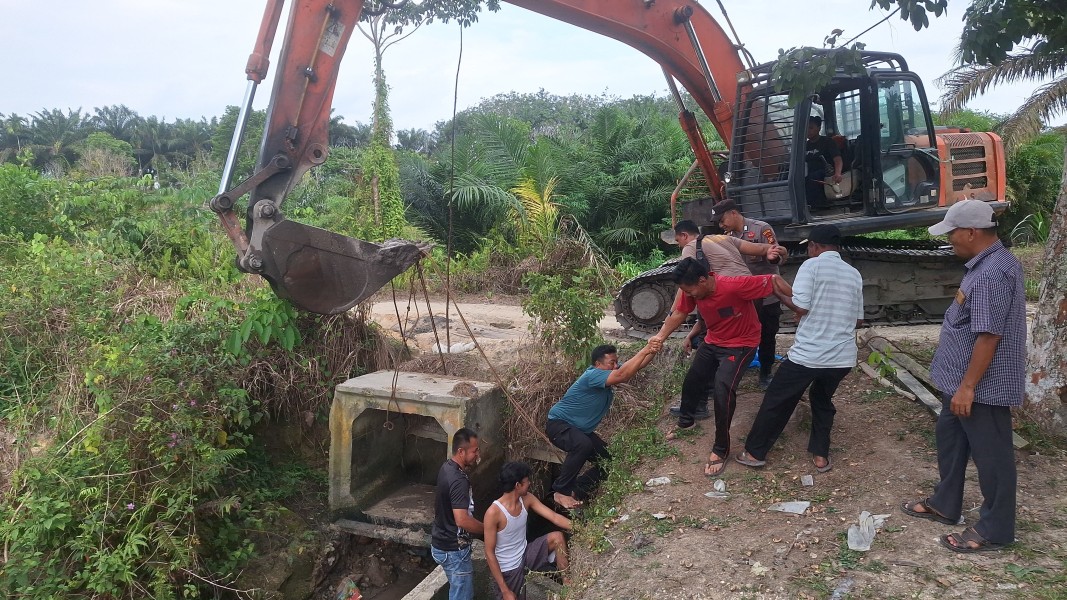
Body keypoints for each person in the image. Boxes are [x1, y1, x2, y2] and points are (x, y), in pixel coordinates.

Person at [900, 200, 1025, 553]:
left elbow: (989, 335)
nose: (950, 240)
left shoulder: (992, 273)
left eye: (952, 232)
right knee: (951, 441)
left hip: (981, 386)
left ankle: (995, 529)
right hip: (959, 381)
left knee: (992, 456)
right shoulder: (984, 265)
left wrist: (969, 387)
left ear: (971, 232)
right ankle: (945, 502)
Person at [735, 224, 863, 473]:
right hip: (842, 359)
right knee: (822, 399)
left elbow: (800, 306)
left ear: (814, 246)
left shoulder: (811, 265)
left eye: (809, 248)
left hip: (809, 355)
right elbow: (858, 320)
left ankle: (754, 453)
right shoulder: (853, 273)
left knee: (777, 400)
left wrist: (776, 290)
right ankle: (820, 456)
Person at [651, 257, 794, 477]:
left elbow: (773, 279)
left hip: (741, 344)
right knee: (693, 380)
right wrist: (659, 337)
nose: (688, 296)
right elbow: (679, 313)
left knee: (723, 389)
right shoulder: (693, 291)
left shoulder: (733, 285)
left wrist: (798, 302)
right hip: (714, 340)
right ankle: (686, 421)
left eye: (690, 290)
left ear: (703, 280)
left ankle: (721, 448)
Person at [665, 217, 787, 418]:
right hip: (747, 296)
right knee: (736, 342)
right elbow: (760, 249)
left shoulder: (690, 248)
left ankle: (701, 404)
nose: (680, 245)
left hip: (725, 297)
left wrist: (672, 315)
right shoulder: (723, 239)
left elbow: (686, 289)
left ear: (684, 236)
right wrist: (771, 250)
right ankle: (750, 379)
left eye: (678, 240)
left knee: (708, 348)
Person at [546, 341, 662, 509]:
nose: (615, 366)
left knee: (608, 461)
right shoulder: (592, 375)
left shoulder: (607, 371)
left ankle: (577, 490)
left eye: (616, 362)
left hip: (579, 429)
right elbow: (623, 374)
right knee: (582, 445)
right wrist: (645, 349)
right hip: (559, 425)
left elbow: (637, 366)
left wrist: (653, 350)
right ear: (598, 364)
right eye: (611, 363)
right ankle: (561, 491)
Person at [711, 198, 785, 389]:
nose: (721, 225)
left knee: (767, 334)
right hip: (742, 298)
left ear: (733, 213)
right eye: (718, 223)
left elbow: (776, 256)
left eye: (722, 220)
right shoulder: (726, 236)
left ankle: (765, 373)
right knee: (740, 335)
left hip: (765, 294)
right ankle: (737, 370)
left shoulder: (761, 229)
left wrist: (769, 255)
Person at [484, 462, 572, 600]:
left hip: (526, 554)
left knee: (557, 538)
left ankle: (569, 586)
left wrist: (581, 528)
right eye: (526, 481)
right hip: (507, 570)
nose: (530, 483)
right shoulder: (493, 513)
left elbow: (554, 517)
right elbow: (489, 553)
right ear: (517, 485)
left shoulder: (527, 498)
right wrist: (505, 590)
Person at [430, 428, 485, 600]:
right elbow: (462, 520)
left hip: (440, 542)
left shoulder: (446, 467)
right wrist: (487, 528)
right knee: (462, 595)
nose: (477, 454)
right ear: (461, 451)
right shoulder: (459, 481)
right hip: (453, 550)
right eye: (475, 450)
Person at [804, 115, 843, 209]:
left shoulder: (828, 142)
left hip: (824, 172)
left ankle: (817, 207)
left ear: (819, 128)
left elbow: (837, 159)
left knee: (812, 178)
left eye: (811, 128)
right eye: (806, 128)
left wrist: (838, 174)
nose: (808, 131)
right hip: (806, 172)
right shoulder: (804, 145)